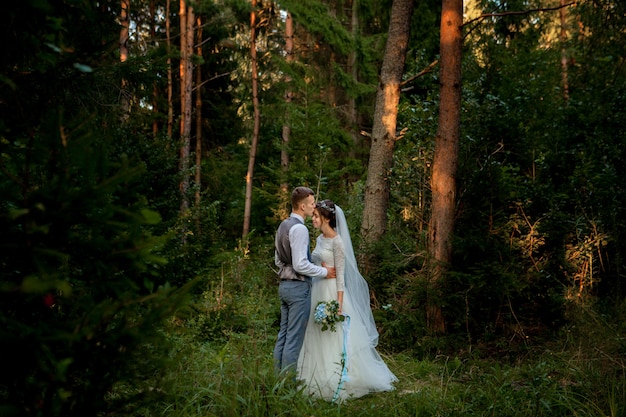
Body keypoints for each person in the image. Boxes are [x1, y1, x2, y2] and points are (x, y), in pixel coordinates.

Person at [297, 199, 397, 402]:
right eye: (313, 215)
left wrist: (339, 304)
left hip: (333, 293)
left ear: (326, 218)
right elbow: (313, 262)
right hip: (318, 288)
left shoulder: (337, 242)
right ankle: (314, 374)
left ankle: (339, 375)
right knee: (316, 333)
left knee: (334, 334)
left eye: (316, 216)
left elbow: (341, 276)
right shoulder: (318, 239)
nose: (313, 219)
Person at [274, 187, 336, 374]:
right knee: (293, 339)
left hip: (284, 287)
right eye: (311, 203)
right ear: (302, 206)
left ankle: (276, 381)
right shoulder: (300, 228)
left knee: (283, 336)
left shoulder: (283, 225)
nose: (313, 206)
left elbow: (278, 260)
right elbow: (300, 265)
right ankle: (288, 386)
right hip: (298, 289)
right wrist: (324, 271)